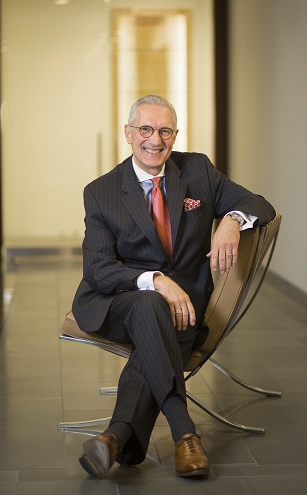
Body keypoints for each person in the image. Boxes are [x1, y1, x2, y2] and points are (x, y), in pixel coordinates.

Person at [72, 94, 275, 478]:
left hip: (183, 307)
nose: (155, 139)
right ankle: (185, 434)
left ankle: (117, 439)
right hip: (116, 301)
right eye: (145, 129)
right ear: (128, 134)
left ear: (175, 134)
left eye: (165, 130)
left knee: (158, 315)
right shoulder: (101, 191)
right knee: (151, 304)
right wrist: (156, 280)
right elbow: (98, 270)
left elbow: (259, 204)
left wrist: (231, 219)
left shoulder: (196, 170)